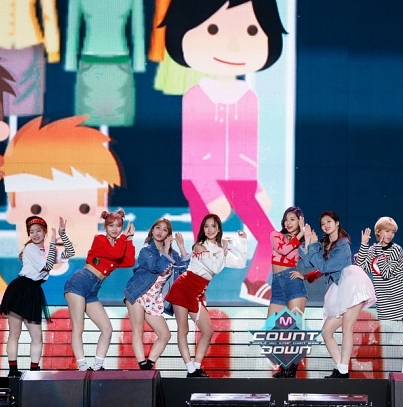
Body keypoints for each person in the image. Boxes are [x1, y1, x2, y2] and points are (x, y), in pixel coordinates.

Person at [162, 0, 288, 304]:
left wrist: (256, 187)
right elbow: (191, 155)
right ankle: (193, 293)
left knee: (271, 237)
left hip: (241, 181)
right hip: (200, 182)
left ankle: (255, 281)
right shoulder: (195, 96)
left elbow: (249, 148)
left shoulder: (249, 97)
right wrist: (210, 193)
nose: (232, 45)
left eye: (251, 30)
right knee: (202, 247)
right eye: (213, 29)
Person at [165, 214, 247, 377]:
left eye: (213, 226)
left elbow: (240, 263)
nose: (210, 230)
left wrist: (242, 242)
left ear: (218, 229)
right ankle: (190, 369)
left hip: (197, 293)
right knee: (183, 329)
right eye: (206, 226)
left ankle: (196, 367)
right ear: (203, 229)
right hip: (183, 288)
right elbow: (214, 268)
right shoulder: (199, 246)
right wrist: (223, 249)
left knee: (208, 331)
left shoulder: (220, 249)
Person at [299, 211, 376, 379]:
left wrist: (313, 246)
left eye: (328, 222)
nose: (325, 226)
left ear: (337, 223)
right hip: (340, 288)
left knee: (347, 328)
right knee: (326, 332)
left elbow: (324, 267)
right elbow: (308, 262)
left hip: (353, 285)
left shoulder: (343, 246)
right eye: (322, 224)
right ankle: (342, 369)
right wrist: (307, 240)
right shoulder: (324, 244)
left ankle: (343, 370)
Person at [0, 216, 75, 377]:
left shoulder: (47, 250)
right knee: (15, 333)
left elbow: (70, 253)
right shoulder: (30, 249)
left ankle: (34, 371)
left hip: (33, 292)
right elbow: (47, 266)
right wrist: (53, 243)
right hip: (20, 289)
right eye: (32, 232)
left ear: (44, 232)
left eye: (38, 231)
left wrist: (62, 234)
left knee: (37, 336)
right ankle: (13, 371)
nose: (35, 234)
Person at [356, 216, 403, 373]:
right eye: (387, 231)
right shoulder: (372, 250)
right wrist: (364, 245)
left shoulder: (396, 249)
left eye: (393, 232)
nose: (390, 235)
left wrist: (375, 252)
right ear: (378, 231)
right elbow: (360, 268)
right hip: (397, 296)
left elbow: (386, 272)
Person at [64, 209, 135, 371]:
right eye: (111, 225)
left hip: (93, 289)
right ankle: (83, 367)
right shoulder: (100, 239)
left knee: (107, 328)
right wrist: (124, 237)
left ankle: (97, 366)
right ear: (105, 227)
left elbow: (129, 261)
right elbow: (115, 253)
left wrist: (129, 239)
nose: (115, 229)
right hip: (79, 283)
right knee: (78, 327)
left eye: (118, 226)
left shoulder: (119, 245)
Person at [124, 218, 190, 370]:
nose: (160, 231)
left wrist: (181, 247)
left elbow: (185, 271)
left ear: (169, 235)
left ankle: (148, 366)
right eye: (158, 228)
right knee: (138, 330)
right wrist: (166, 250)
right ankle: (142, 365)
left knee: (165, 334)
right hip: (138, 293)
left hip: (154, 299)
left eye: (165, 230)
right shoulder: (146, 251)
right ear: (152, 230)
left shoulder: (172, 254)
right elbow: (158, 267)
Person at [268, 206, 311, 378]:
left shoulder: (303, 241)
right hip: (277, 284)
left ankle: (290, 369)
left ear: (300, 221)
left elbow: (309, 261)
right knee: (272, 328)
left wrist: (307, 240)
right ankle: (285, 366)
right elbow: (283, 250)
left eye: (292, 219)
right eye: (286, 219)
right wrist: (300, 235)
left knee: (293, 329)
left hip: (293, 283)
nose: (288, 222)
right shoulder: (275, 235)